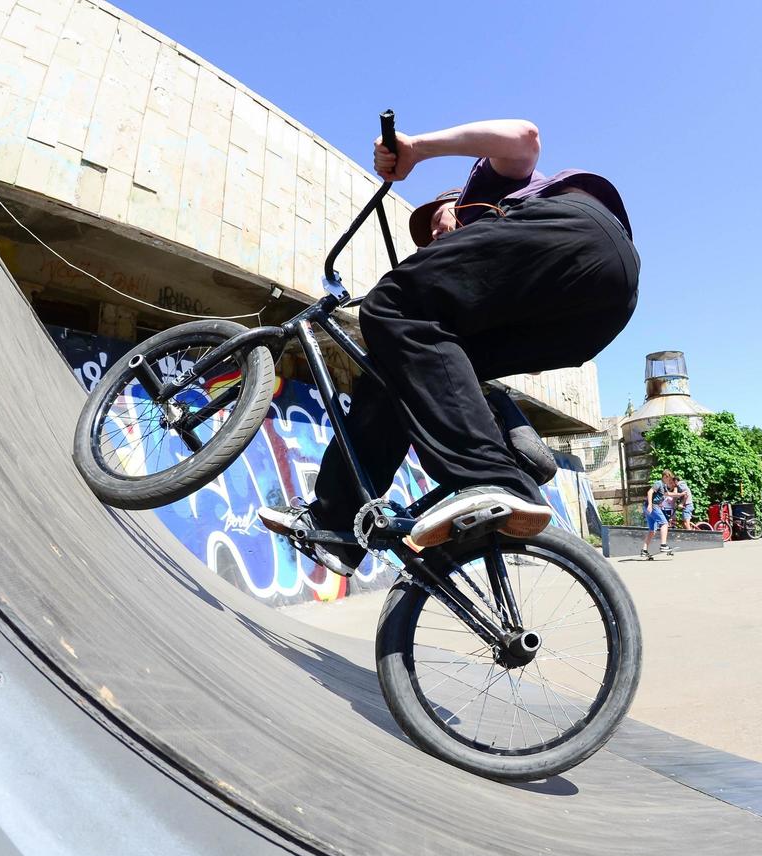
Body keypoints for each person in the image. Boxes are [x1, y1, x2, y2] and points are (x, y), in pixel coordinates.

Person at [258, 118, 638, 574]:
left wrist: (416, 149)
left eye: (437, 223)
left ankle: (493, 476)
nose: (435, 239)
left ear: (455, 202)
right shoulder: (497, 279)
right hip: (595, 314)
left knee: (390, 305)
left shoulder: (488, 191)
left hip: (576, 235)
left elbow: (524, 136)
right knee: (397, 371)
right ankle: (338, 526)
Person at [640, 470, 679, 558]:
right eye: (669, 479)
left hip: (648, 507)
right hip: (652, 506)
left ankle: (644, 550)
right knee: (664, 523)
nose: (670, 481)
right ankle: (663, 545)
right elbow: (650, 492)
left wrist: (680, 494)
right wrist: (650, 504)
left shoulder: (664, 486)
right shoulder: (658, 483)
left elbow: (668, 494)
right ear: (665, 476)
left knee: (652, 530)